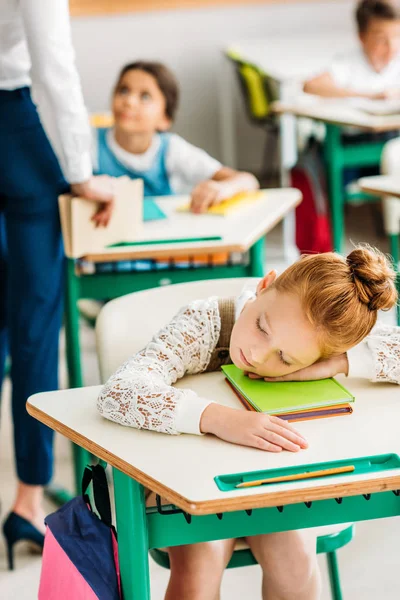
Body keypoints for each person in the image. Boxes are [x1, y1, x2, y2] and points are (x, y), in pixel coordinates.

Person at [97, 246, 398, 600]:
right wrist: (217, 418)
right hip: (191, 485)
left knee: (297, 564)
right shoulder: (205, 323)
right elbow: (118, 392)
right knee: (200, 566)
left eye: (285, 357)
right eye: (261, 327)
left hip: (273, 483)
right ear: (264, 285)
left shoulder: (321, 348)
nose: (257, 353)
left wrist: (342, 363)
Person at [0, 0, 113, 568]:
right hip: (11, 129)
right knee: (35, 323)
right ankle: (27, 497)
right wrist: (81, 170)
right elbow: (52, 62)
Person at [92, 60, 259, 221]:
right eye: (123, 90)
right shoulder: (89, 143)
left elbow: (249, 181)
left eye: (145, 96)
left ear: (165, 118)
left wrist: (223, 188)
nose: (129, 101)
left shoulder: (172, 149)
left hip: (161, 244)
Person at [304, 0, 400, 100]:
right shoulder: (349, 63)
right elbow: (311, 86)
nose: (391, 46)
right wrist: (371, 96)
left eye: (397, 36)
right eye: (381, 39)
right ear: (362, 37)